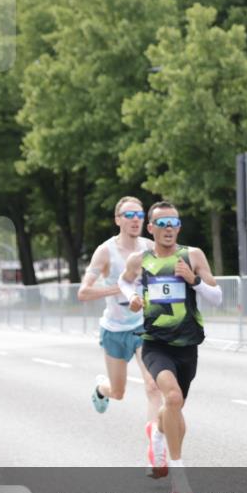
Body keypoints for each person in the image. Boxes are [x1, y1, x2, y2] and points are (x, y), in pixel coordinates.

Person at [119, 201, 221, 493]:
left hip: (187, 344)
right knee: (172, 397)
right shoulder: (140, 260)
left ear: (179, 226)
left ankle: (158, 435)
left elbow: (217, 297)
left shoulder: (192, 256)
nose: (168, 229)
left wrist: (194, 281)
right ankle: (179, 476)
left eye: (173, 223)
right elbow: (123, 282)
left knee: (174, 410)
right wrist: (132, 297)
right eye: (161, 224)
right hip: (154, 343)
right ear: (150, 228)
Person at [78, 197, 163, 470]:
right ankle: (102, 389)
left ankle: (156, 450)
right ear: (118, 220)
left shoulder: (150, 248)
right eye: (129, 215)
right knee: (118, 391)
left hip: (142, 326)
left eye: (139, 214)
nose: (135, 219)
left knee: (153, 386)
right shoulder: (105, 252)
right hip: (114, 329)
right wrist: (120, 288)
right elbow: (83, 292)